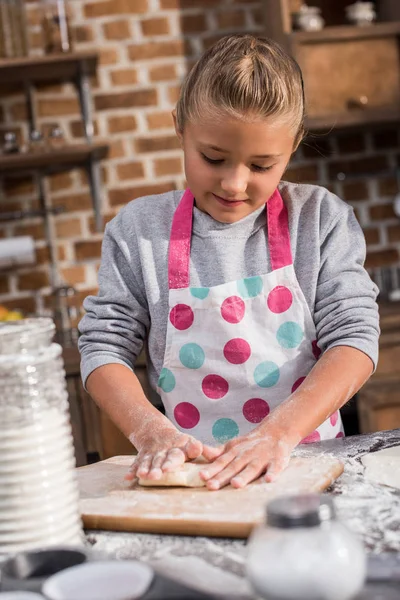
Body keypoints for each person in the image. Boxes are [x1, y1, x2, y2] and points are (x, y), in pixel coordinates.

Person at [79, 34, 379, 490]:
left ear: (293, 145)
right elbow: (103, 347)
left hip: (308, 470)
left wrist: (277, 434)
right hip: (198, 481)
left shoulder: (318, 221)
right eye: (213, 158)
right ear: (180, 126)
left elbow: (355, 340)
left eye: (261, 166)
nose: (235, 183)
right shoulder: (139, 231)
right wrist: (151, 430)